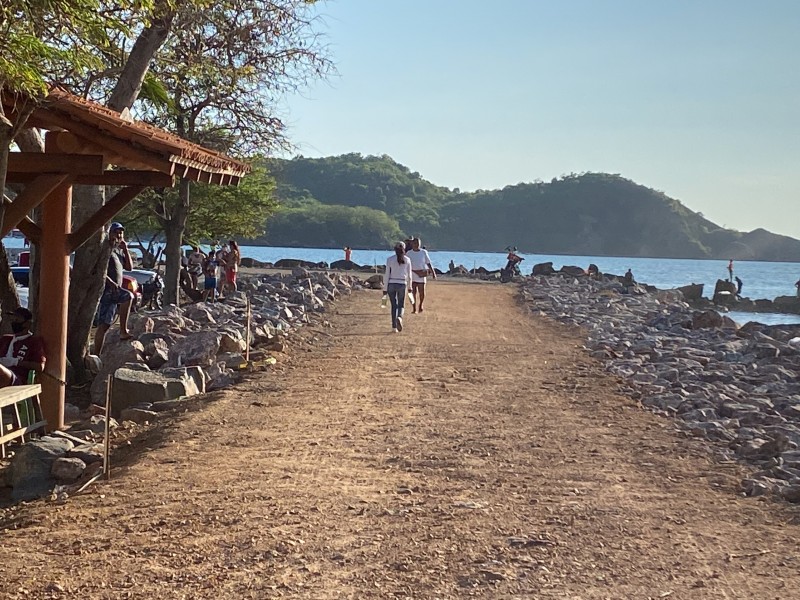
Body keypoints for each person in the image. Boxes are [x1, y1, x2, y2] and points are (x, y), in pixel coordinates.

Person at [93, 222, 134, 355]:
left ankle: (96, 354)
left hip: (114, 290)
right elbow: (99, 270)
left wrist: (126, 249)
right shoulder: (106, 249)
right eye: (116, 232)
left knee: (104, 325)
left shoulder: (117, 251)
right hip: (108, 290)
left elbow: (129, 267)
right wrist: (110, 282)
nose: (119, 235)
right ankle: (123, 330)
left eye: (121, 232)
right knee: (128, 296)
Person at [0, 308, 46, 388]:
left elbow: (40, 366)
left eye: (17, 319)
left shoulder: (34, 341)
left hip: (18, 379)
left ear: (27, 323)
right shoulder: (5, 339)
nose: (14, 321)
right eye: (13, 319)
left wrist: (16, 362)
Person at [382, 242, 412, 333]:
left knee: (393, 306)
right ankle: (400, 317)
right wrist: (410, 286)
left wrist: (384, 288)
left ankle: (394, 327)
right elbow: (409, 275)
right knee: (401, 304)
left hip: (391, 283)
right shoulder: (407, 260)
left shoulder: (390, 259)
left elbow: (387, 274)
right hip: (402, 283)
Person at [407, 237, 436, 313]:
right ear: (412, 244)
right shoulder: (409, 253)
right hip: (412, 274)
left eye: (418, 243)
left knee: (422, 292)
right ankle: (414, 308)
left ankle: (420, 304)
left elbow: (428, 263)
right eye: (415, 243)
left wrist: (433, 272)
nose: (416, 245)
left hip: (421, 275)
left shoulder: (423, 252)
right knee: (413, 292)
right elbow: (406, 264)